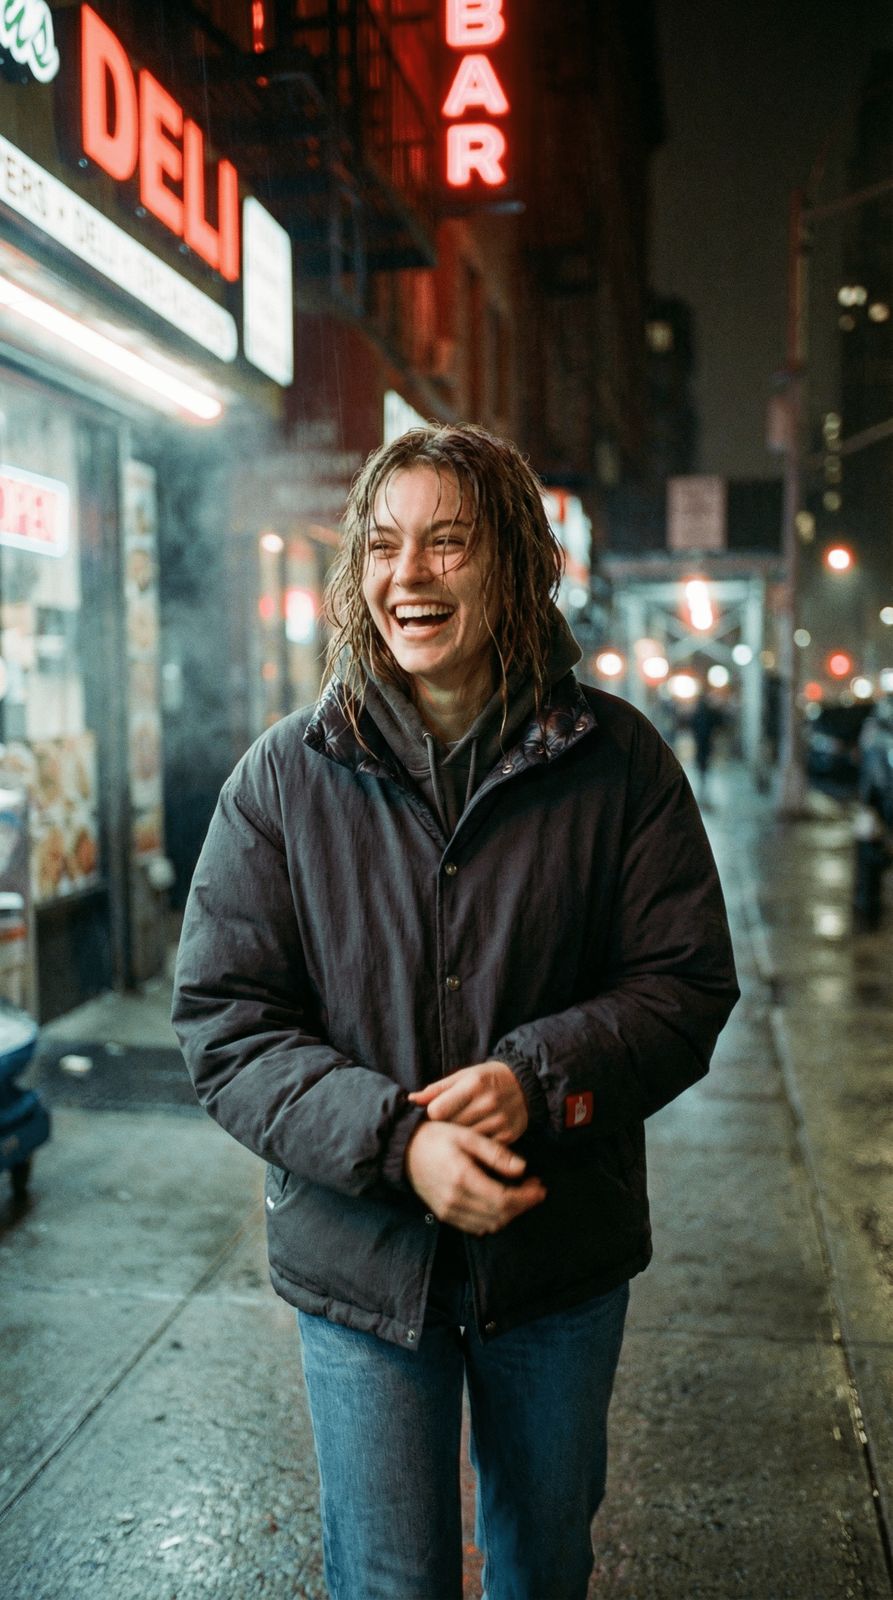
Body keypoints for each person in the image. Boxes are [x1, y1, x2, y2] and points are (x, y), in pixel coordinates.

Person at [172, 424, 739, 1600]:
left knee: (542, 1567)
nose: (407, 575)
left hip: (556, 1259)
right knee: (388, 1579)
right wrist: (397, 1140)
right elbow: (227, 1021)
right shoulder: (281, 778)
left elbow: (682, 984)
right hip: (363, 1266)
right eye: (382, 546)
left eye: (447, 542)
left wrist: (538, 1076)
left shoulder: (620, 765)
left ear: (517, 562)